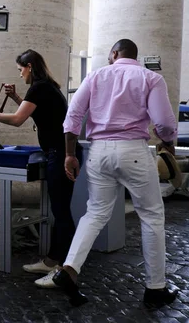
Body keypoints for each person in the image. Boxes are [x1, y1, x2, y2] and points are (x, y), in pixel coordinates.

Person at [53, 39, 178, 308]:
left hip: (99, 152)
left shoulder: (95, 75)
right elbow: (165, 123)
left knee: (95, 212)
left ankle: (70, 269)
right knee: (152, 216)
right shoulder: (151, 78)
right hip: (134, 150)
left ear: (113, 54)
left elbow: (73, 116)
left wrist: (70, 154)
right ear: (135, 55)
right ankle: (155, 288)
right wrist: (167, 142)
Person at [0, 49, 81, 288]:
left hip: (61, 155)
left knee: (61, 214)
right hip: (59, 152)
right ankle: (51, 262)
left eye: (21, 70)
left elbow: (19, 119)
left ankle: (64, 269)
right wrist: (17, 99)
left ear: (29, 66)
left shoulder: (39, 87)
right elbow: (36, 112)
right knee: (59, 211)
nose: (20, 75)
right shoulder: (46, 86)